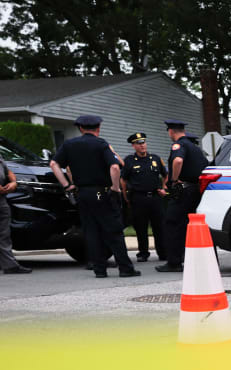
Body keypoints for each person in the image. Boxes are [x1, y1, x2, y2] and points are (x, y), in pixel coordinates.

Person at [48, 115, 140, 278]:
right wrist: (115, 188)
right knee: (113, 231)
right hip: (102, 192)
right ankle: (125, 268)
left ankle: (99, 269)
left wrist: (67, 185)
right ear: (98, 128)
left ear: (80, 128)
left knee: (91, 231)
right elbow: (115, 167)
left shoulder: (69, 144)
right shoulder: (101, 144)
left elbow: (54, 164)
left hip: (82, 193)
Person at [157, 119, 207, 273]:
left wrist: (173, 181)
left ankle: (174, 262)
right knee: (188, 224)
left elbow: (178, 160)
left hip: (183, 190)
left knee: (172, 223)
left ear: (171, 131)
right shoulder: (196, 148)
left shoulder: (179, 145)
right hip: (195, 191)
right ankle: (190, 258)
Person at [121, 132, 168, 262]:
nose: (142, 146)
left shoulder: (155, 159)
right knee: (140, 227)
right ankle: (143, 253)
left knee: (159, 226)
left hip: (155, 197)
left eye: (143, 142)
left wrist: (164, 188)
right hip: (138, 198)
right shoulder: (129, 160)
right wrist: (125, 196)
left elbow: (166, 175)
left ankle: (163, 253)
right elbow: (123, 180)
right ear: (133, 146)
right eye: (139, 144)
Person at [0, 155, 31, 274]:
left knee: (4, 234)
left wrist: (13, 182)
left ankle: (9, 265)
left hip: (2, 199)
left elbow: (8, 171)